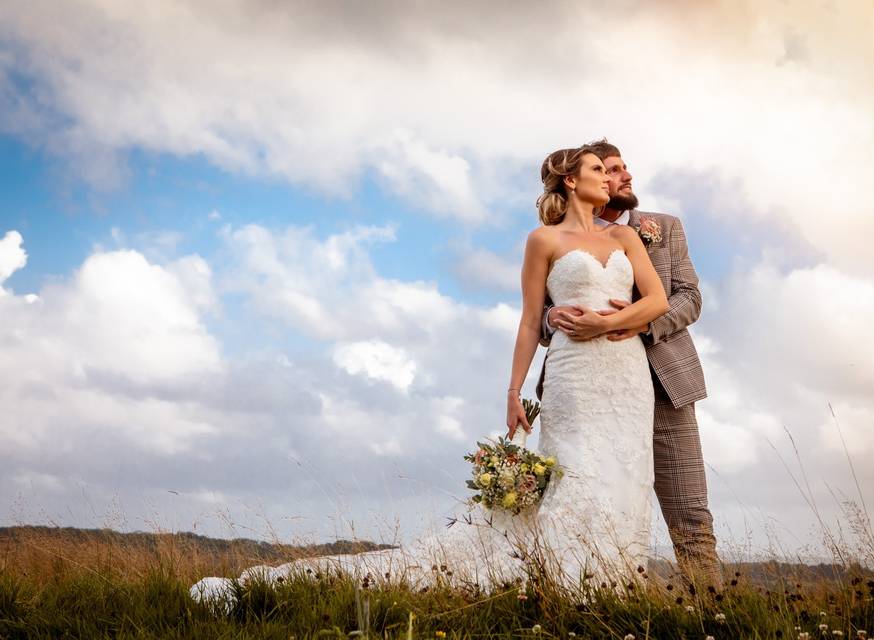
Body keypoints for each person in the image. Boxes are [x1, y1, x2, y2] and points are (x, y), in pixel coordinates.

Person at [190, 146, 670, 605]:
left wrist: (606, 322)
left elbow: (657, 302)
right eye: (597, 170)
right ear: (571, 180)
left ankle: (612, 587)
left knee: (625, 475)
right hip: (574, 377)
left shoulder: (624, 238)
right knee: (577, 474)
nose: (610, 179)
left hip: (626, 377)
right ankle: (567, 584)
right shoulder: (543, 240)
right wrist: (513, 391)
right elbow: (529, 320)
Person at [538, 139, 723, 591]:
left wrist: (637, 324)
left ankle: (716, 614)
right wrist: (551, 316)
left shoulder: (663, 227)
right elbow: (542, 314)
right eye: (612, 169)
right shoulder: (561, 234)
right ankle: (577, 597)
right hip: (585, 390)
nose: (623, 176)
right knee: (581, 499)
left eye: (623, 169)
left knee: (690, 513)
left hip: (663, 387)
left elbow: (690, 297)